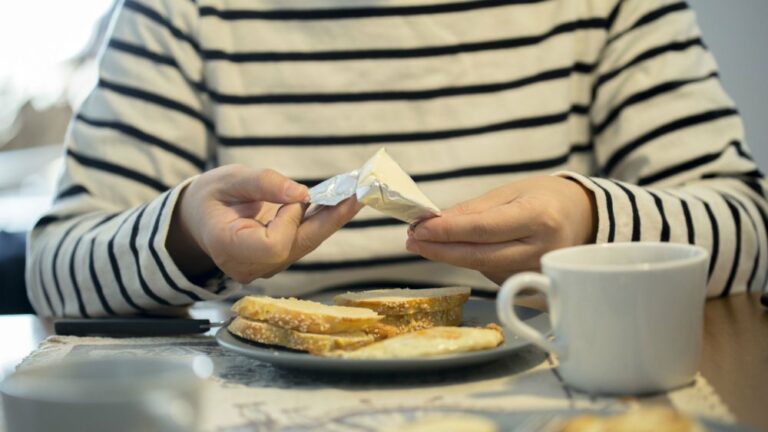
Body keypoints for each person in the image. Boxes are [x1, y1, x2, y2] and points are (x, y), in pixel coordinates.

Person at [25, 0, 767, 318]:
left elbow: (750, 229)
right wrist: (186, 231)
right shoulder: (183, 14)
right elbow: (52, 266)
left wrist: (591, 222)